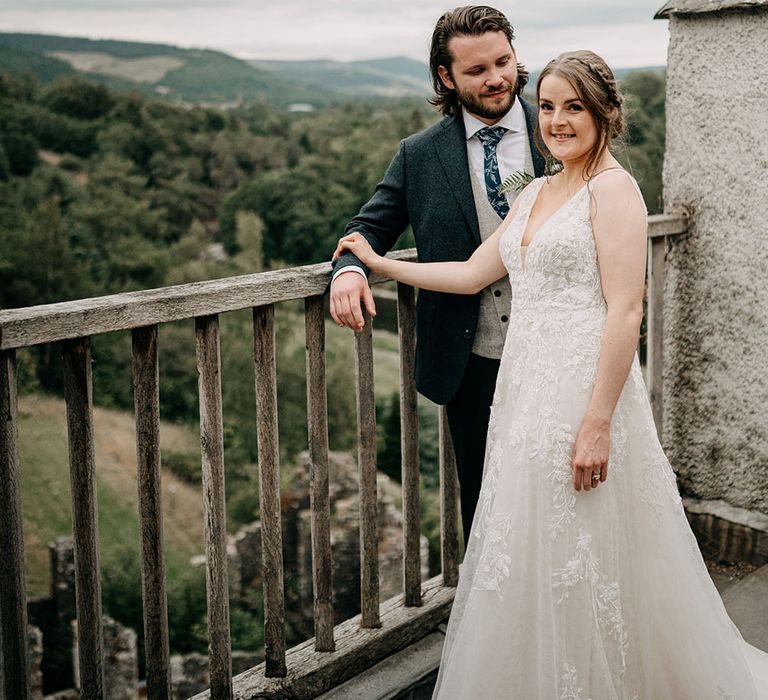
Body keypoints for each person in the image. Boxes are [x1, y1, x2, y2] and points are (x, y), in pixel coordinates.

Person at [333, 50, 768, 699]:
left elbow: (625, 311)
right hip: (524, 396)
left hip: (583, 394)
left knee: (589, 544)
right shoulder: (538, 190)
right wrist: (375, 261)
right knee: (533, 541)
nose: (558, 120)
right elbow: (472, 272)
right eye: (550, 107)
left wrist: (596, 426)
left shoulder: (613, 189)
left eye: (575, 108)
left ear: (605, 114)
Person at [329, 6, 545, 546]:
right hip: (471, 360)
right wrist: (350, 270)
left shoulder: (558, 127)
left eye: (503, 61)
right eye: (476, 70)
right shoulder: (419, 156)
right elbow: (368, 226)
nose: (496, 78)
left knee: (561, 495)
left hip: (556, 347)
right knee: (485, 503)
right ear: (447, 77)